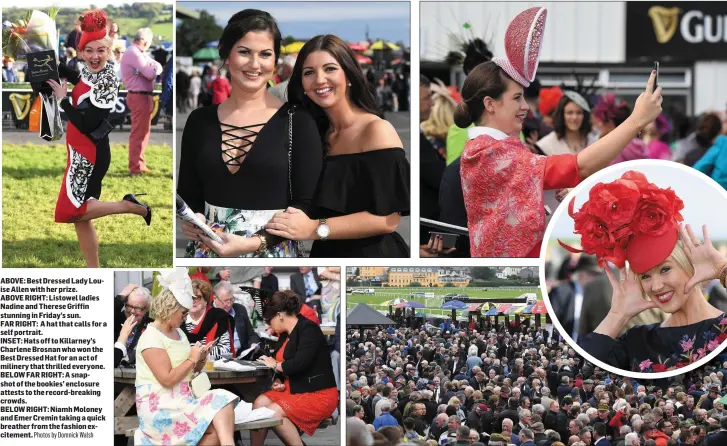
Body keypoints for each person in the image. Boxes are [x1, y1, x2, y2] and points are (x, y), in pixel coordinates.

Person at [455, 7, 663, 258]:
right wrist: (636, 121)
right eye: (517, 97)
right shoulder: (486, 151)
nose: (524, 107)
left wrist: (550, 197)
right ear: (490, 104)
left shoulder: (493, 146)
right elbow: (578, 167)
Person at [201, 34, 410, 258]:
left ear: (349, 75)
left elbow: (388, 220)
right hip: (323, 253)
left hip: (372, 257)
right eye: (309, 72)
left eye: (330, 69)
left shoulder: (376, 130)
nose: (319, 80)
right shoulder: (314, 132)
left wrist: (313, 228)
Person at [179, 9, 323, 258]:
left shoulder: (298, 122)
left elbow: (307, 204)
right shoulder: (198, 121)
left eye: (265, 54)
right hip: (207, 250)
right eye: (244, 52)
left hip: (273, 252)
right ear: (226, 53)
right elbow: (189, 195)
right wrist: (194, 219)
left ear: (275, 60)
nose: (255, 64)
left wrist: (255, 243)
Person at [563, 171, 727, 372]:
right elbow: (574, 375)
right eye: (645, 276)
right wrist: (617, 315)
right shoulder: (637, 342)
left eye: (665, 269)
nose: (656, 286)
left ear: (690, 264)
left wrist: (723, 270)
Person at [47, 9, 151, 268]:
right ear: (81, 52)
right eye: (89, 50)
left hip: (89, 154)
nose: (95, 56)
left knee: (72, 211)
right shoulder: (88, 71)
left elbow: (85, 123)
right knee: (81, 218)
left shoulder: (107, 80)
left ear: (108, 50)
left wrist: (63, 99)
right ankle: (93, 270)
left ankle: (130, 206)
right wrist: (45, 61)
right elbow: (79, 80)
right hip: (80, 151)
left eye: (100, 50)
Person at [134, 269, 239, 445]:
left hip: (184, 399)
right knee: (219, 406)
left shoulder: (179, 333)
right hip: (161, 405)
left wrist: (200, 360)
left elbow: (189, 371)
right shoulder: (151, 337)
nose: (185, 318)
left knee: (223, 402)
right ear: (170, 309)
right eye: (183, 313)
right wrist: (192, 358)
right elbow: (167, 379)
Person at [251, 291, 338, 445]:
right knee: (259, 404)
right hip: (294, 388)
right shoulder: (285, 333)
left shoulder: (309, 329)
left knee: (272, 413)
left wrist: (275, 365)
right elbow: (287, 366)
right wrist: (278, 379)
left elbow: (300, 364)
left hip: (317, 393)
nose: (269, 326)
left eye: (269, 321)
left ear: (279, 315)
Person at [536, 91, 596, 213]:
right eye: (569, 112)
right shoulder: (545, 144)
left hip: (590, 207)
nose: (574, 117)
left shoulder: (594, 141)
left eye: (578, 113)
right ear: (561, 115)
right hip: (558, 211)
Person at [120, 27, 163, 175]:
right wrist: (154, 69)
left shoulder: (138, 53)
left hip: (143, 95)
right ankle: (135, 167)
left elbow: (155, 66)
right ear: (145, 41)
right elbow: (151, 73)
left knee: (143, 132)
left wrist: (154, 67)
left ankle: (139, 164)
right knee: (139, 133)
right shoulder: (134, 53)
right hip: (139, 96)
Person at [181, 279, 236, 359]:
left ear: (206, 300)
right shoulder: (179, 319)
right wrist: (205, 350)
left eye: (197, 297)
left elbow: (225, 350)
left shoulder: (219, 317)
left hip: (213, 368)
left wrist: (197, 352)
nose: (193, 301)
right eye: (190, 297)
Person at [592, 94, 649, 165]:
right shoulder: (638, 144)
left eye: (602, 121)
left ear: (610, 123)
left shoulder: (612, 148)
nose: (599, 125)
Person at [212, 281, 260, 354]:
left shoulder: (240, 309)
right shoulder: (207, 313)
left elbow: (251, 334)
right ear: (215, 298)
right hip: (219, 357)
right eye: (225, 301)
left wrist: (253, 345)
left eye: (231, 299)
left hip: (242, 355)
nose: (229, 304)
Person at [114, 284, 152, 368]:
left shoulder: (152, 325)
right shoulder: (115, 319)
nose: (132, 311)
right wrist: (121, 296)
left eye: (138, 308)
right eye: (129, 306)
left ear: (146, 309)